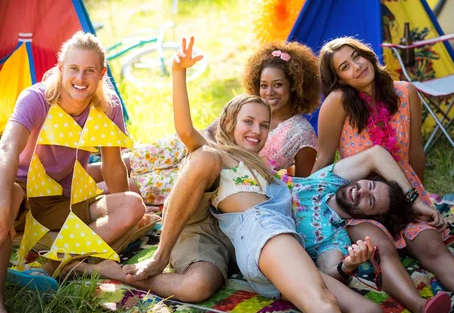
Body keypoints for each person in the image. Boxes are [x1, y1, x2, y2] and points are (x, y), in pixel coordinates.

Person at [124, 37, 384, 313]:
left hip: (278, 243)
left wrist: (343, 262)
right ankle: (153, 254)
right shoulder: (221, 156)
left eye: (263, 125)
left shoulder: (266, 169)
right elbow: (186, 130)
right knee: (323, 306)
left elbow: (307, 186)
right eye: (248, 122)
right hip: (264, 234)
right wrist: (178, 73)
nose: (257, 130)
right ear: (229, 123)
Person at [313, 37, 454, 313]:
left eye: (357, 56)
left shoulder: (406, 92)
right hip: (360, 199)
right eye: (345, 67)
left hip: (403, 191)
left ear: (368, 54)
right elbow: (323, 159)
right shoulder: (338, 103)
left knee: (432, 245)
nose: (357, 67)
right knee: (380, 248)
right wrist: (307, 203)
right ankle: (421, 308)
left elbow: (415, 152)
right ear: (339, 79)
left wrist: (421, 200)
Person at [0, 32, 146, 313]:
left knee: (133, 203)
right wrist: (0, 205)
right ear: (60, 67)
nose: (81, 78)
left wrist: (123, 216)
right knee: (11, 196)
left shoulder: (108, 107)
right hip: (14, 190)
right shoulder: (36, 98)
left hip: (61, 201)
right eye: (74, 69)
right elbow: (6, 149)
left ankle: (51, 262)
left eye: (90, 71)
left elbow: (114, 167)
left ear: (102, 74)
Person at [86, 40, 321, 205]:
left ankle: (77, 200)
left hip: (218, 173)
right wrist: (205, 147)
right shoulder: (249, 106)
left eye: (278, 85)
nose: (269, 92)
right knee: (132, 159)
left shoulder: (301, 133)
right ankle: (66, 178)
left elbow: (298, 188)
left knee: (135, 185)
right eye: (263, 85)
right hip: (199, 147)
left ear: (295, 85)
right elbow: (209, 130)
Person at [291, 145, 452, 313]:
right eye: (368, 185)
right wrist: (413, 201)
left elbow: (328, 270)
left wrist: (347, 266)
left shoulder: (335, 236)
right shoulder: (329, 180)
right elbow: (375, 154)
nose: (362, 191)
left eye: (370, 200)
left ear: (368, 217)